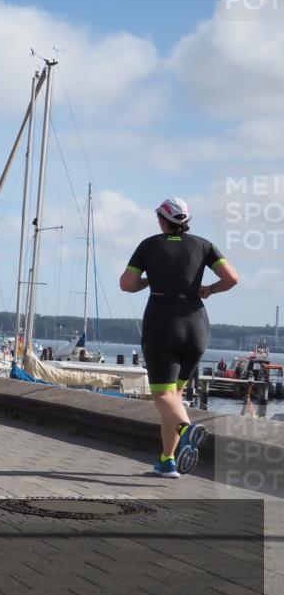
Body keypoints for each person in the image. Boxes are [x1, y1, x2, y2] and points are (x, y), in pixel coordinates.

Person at [120, 196, 238, 478]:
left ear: (162, 219)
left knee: (161, 394)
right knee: (174, 395)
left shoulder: (149, 245)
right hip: (197, 326)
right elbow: (232, 278)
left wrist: (152, 280)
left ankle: (186, 430)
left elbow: (127, 284)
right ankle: (167, 460)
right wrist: (209, 290)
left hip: (162, 324)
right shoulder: (204, 245)